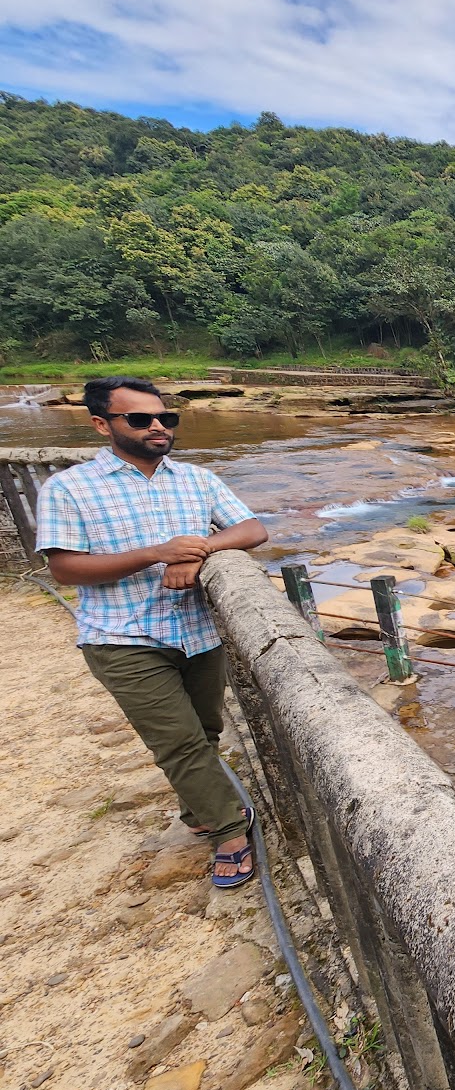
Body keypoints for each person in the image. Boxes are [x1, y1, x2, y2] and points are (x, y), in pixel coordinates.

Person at [35, 376, 269, 889]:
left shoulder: (194, 479)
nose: (158, 426)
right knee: (179, 743)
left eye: (165, 418)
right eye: (140, 419)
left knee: (204, 733)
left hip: (197, 632)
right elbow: (65, 568)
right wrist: (156, 553)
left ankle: (198, 810)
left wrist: (197, 550)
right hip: (122, 638)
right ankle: (230, 832)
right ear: (103, 424)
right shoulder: (70, 488)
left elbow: (252, 529)